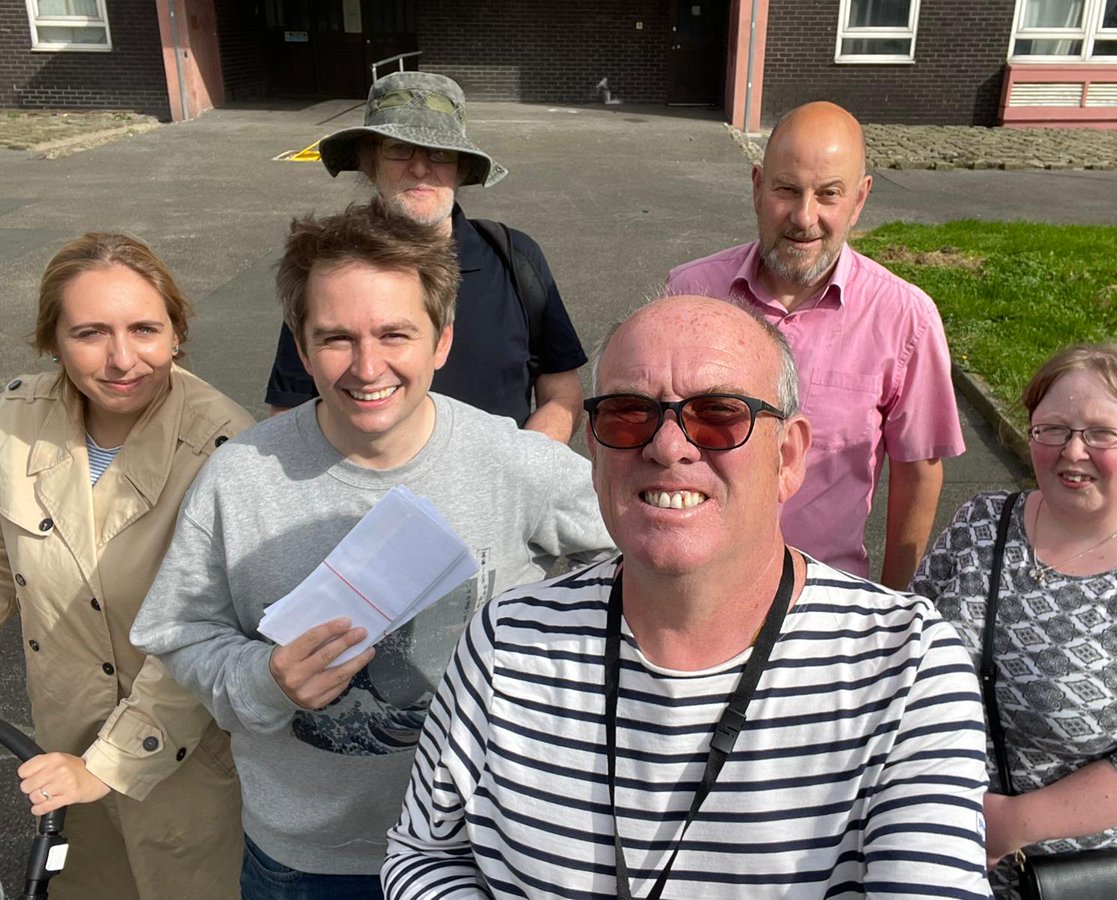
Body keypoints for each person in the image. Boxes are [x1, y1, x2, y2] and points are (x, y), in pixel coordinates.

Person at [383, 295, 990, 899]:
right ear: (593, 453)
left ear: (789, 456)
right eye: (627, 414)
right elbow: (422, 855)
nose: (668, 447)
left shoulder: (906, 667)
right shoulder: (507, 640)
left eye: (718, 416)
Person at [130, 202, 614, 899]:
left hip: (478, 847)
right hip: (305, 862)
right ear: (300, 347)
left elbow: (644, 548)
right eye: (335, 338)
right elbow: (177, 631)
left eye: (395, 333)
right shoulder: (240, 479)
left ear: (442, 340)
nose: (367, 366)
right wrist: (265, 679)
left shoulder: (514, 462)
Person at [0, 233, 252, 898]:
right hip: (61, 751)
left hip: (184, 764)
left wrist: (106, 767)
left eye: (144, 329)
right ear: (52, 339)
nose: (120, 359)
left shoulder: (227, 450)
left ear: (177, 334)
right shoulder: (14, 418)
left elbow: (207, 632)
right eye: (89, 332)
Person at [910, 343, 1117, 898]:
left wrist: (1008, 823)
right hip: (933, 844)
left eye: (1102, 434)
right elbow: (910, 642)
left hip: (1075, 876)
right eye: (1052, 429)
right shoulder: (982, 523)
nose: (1072, 452)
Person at [665, 101, 963, 588]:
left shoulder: (905, 318)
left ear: (860, 199)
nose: (805, 217)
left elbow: (919, 470)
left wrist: (891, 602)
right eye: (787, 190)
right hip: (696, 584)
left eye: (828, 195)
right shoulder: (689, 293)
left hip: (825, 598)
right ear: (758, 187)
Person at [265, 71, 587, 442]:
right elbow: (289, 411)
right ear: (370, 162)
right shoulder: (328, 272)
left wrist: (519, 469)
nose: (420, 167)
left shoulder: (516, 259)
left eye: (440, 152)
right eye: (399, 148)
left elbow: (562, 393)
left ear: (461, 167)